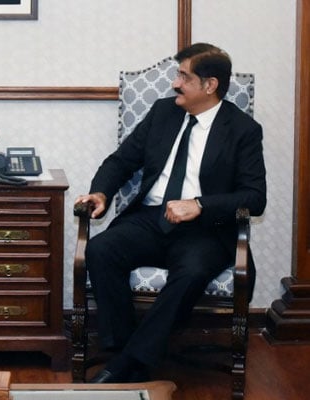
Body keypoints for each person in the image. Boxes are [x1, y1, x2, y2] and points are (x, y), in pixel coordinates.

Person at [74, 43, 266, 383]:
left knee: (191, 272)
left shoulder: (242, 130)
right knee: (101, 249)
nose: (175, 84)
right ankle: (123, 348)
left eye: (183, 77)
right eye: (178, 75)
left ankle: (127, 364)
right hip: (153, 218)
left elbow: (255, 197)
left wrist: (200, 205)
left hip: (207, 230)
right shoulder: (163, 112)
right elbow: (122, 160)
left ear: (210, 85)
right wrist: (101, 191)